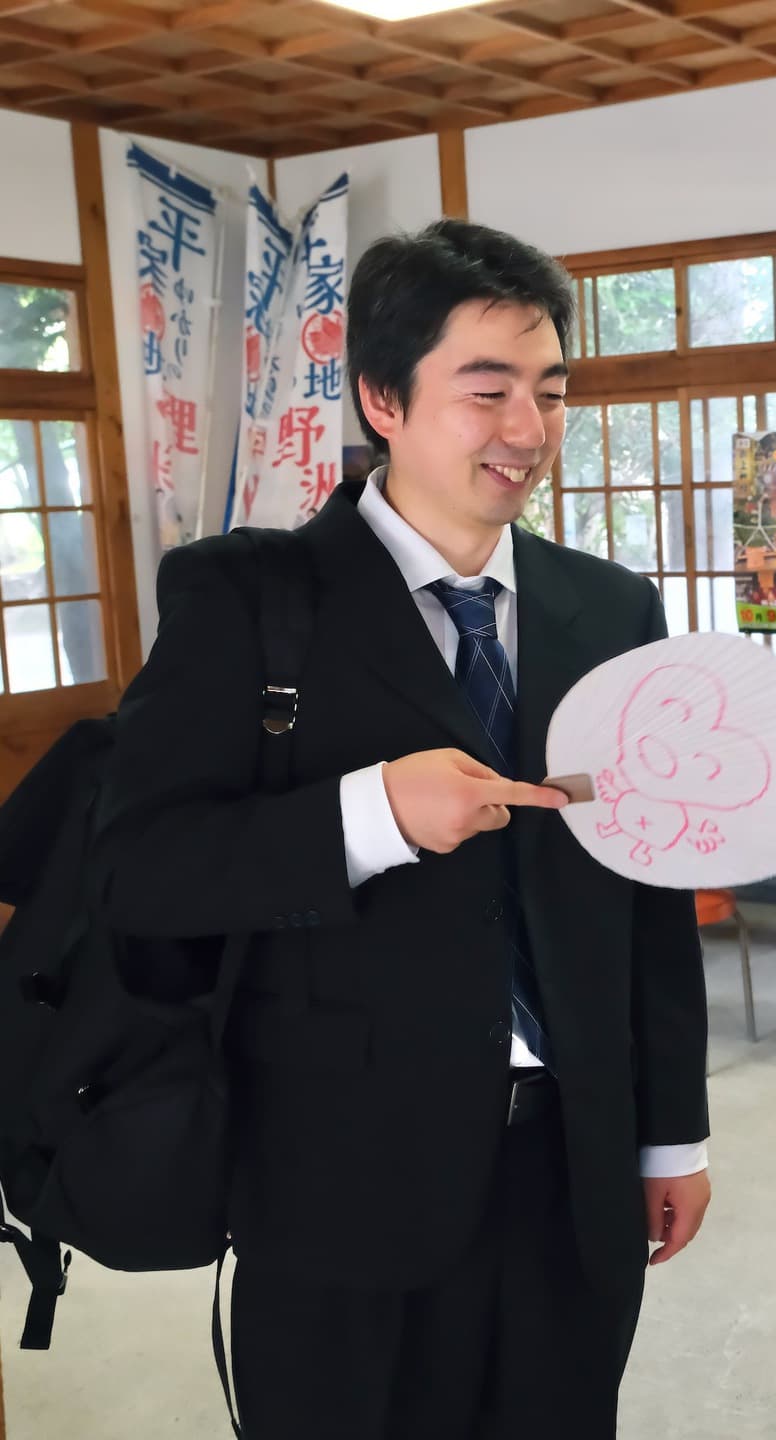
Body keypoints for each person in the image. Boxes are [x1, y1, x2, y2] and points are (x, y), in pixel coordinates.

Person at [93, 220, 711, 1439]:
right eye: (486, 393)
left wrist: (670, 1130)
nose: (528, 431)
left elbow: (649, 888)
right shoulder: (247, 597)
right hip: (338, 1181)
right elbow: (139, 871)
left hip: (569, 1172)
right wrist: (369, 814)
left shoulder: (612, 608)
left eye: (550, 391)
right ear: (383, 395)